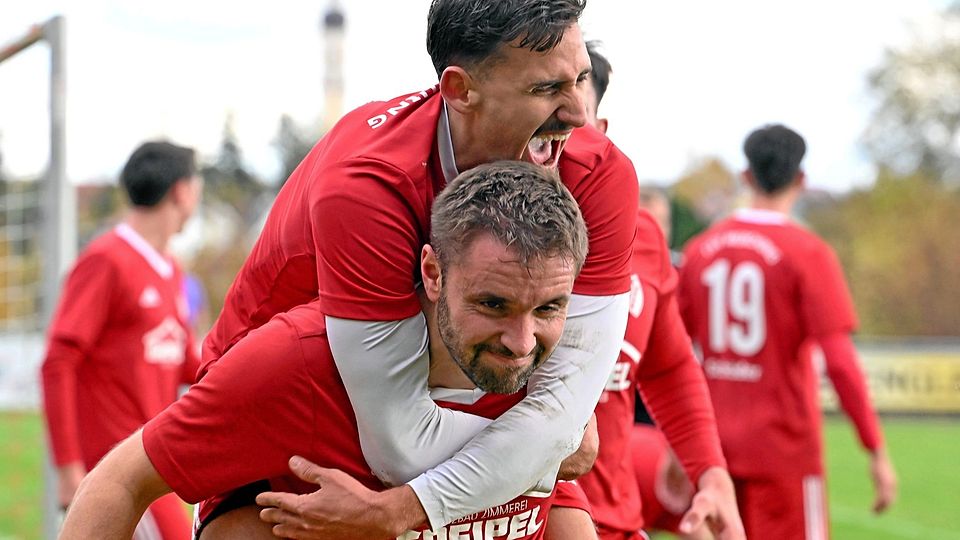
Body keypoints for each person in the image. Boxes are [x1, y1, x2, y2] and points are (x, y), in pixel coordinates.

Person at [201, 0, 640, 535]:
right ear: (458, 91)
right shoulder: (368, 183)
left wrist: (548, 437)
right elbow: (401, 448)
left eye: (581, 80)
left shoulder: (598, 172)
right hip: (320, 427)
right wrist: (545, 439)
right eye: (546, 89)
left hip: (475, 409)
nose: (578, 113)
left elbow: (566, 418)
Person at [61, 161, 595, 540]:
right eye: (493, 304)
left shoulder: (550, 383)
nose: (522, 342)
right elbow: (120, 480)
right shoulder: (301, 361)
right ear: (433, 273)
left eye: (549, 308)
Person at [547, 42, 741, 540]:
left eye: (571, 123)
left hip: (616, 520)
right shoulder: (475, 234)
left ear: (599, 133)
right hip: (513, 524)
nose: (551, 142)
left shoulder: (645, 237)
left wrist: (710, 472)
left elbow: (668, 364)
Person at [677, 124, 898, 539]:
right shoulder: (809, 254)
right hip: (783, 452)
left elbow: (672, 352)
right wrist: (875, 449)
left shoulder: (700, 251)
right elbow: (841, 364)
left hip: (713, 450)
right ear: (801, 179)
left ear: (746, 177)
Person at [41, 141, 202, 539]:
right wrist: (68, 468)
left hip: (153, 460)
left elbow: (188, 363)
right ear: (181, 191)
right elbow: (58, 361)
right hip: (114, 470)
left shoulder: (170, 269)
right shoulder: (106, 260)